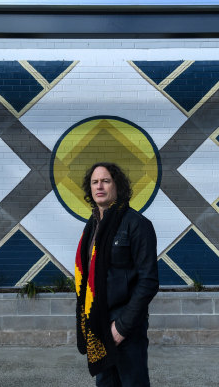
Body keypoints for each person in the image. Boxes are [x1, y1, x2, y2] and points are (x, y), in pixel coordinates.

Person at [75, 162, 159, 387]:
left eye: (105, 181)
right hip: (99, 327)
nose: (99, 186)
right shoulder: (91, 227)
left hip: (126, 330)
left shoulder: (137, 224)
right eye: (94, 182)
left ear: (117, 186)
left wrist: (122, 326)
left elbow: (148, 281)